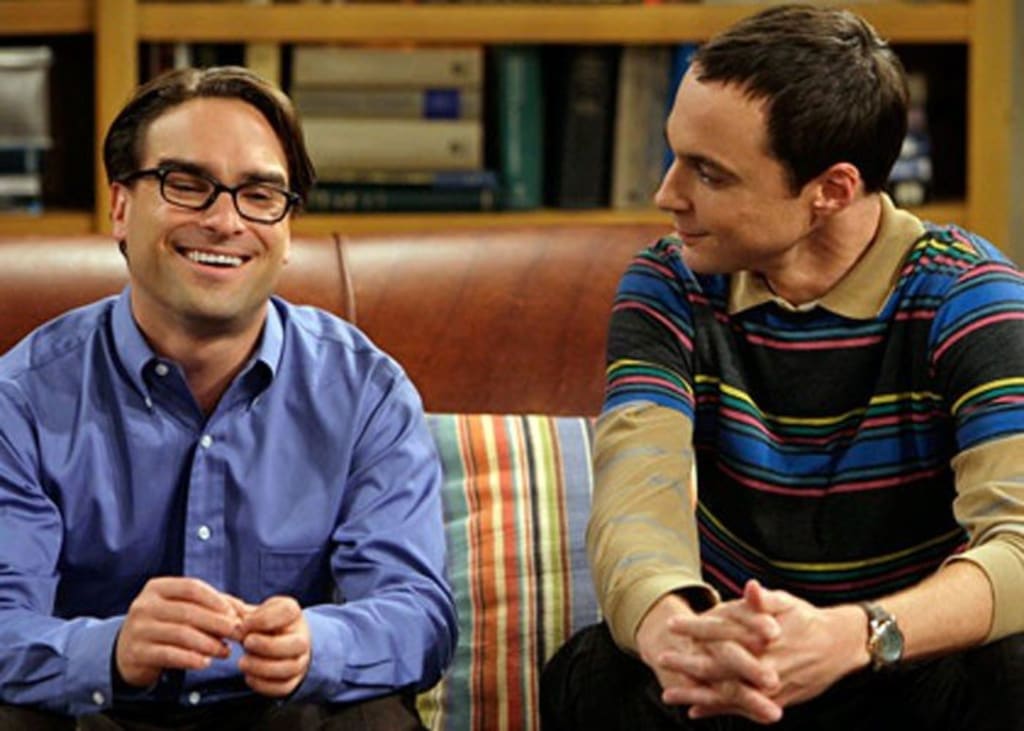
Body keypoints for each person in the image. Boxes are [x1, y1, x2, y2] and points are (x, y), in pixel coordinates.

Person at [541, 5, 1024, 729]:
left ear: (831, 190)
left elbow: (1018, 541)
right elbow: (636, 500)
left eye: (708, 173)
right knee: (596, 674)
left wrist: (854, 635)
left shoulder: (968, 295)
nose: (667, 194)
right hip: (735, 670)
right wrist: (676, 633)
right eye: (675, 155)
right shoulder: (669, 284)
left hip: (903, 660)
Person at [0, 66, 457, 730]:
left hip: (285, 712)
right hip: (96, 713)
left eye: (260, 195)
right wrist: (110, 648)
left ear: (287, 227)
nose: (224, 220)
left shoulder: (366, 392)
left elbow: (417, 613)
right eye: (187, 186)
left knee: (374, 718)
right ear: (121, 207)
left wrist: (317, 643)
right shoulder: (21, 398)